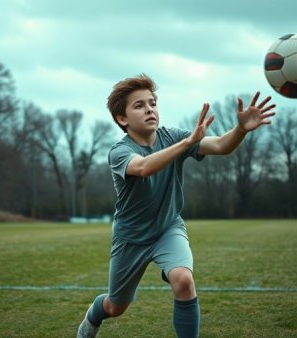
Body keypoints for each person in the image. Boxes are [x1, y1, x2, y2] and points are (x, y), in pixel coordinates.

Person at [77, 74, 276, 338]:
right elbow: (144, 167)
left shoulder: (172, 136)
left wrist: (239, 130)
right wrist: (187, 143)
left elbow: (219, 145)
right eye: (139, 105)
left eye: (152, 103)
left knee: (183, 280)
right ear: (122, 119)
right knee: (116, 306)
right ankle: (94, 314)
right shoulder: (119, 152)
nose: (149, 109)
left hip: (168, 228)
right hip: (131, 238)